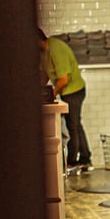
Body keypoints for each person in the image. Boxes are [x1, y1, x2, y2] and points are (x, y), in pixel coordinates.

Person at [39, 28, 92, 172]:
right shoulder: (43, 52)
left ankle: (73, 161)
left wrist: (52, 94)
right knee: (75, 124)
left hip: (74, 91)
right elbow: (46, 73)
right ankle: (85, 158)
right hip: (68, 91)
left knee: (72, 126)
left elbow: (63, 79)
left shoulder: (56, 49)